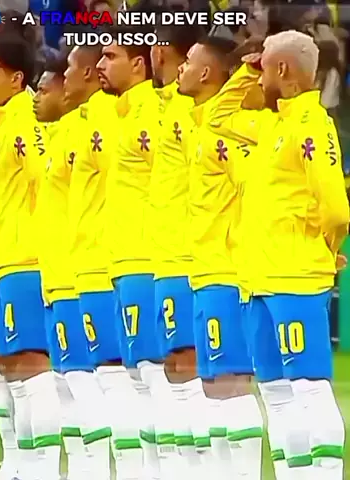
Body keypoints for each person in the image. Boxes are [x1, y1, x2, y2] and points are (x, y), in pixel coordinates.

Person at [209, 30, 348, 479]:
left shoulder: (312, 125)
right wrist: (243, 75)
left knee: (308, 388)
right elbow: (216, 117)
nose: (257, 73)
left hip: (294, 277)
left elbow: (336, 209)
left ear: (283, 69)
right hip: (258, 280)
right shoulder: (272, 126)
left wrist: (324, 250)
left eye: (263, 64)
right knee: (275, 393)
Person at [0, 32, 61, 480]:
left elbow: (45, 182)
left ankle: (42, 469)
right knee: (12, 370)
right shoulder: (2, 119)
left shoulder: (26, 121)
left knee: (32, 369)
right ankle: (23, 466)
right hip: (1, 261)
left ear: (17, 79)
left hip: (24, 263)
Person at [177, 36, 264, 479]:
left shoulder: (227, 130)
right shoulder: (200, 125)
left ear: (208, 73)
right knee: (212, 385)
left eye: (190, 62)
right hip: (203, 268)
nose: (181, 68)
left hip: (227, 270)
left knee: (230, 382)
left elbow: (254, 189)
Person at [96, 23, 173, 480]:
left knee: (154, 374)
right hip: (123, 260)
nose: (101, 64)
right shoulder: (122, 114)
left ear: (139, 64)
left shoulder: (151, 115)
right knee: (137, 375)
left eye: (111, 56)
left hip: (147, 259)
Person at [36, 52, 113, 480]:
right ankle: (81, 469)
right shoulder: (66, 130)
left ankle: (98, 470)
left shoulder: (97, 125)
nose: (62, 79)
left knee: (90, 379)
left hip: (82, 270)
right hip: (56, 273)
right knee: (65, 379)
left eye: (66, 71)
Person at [149, 21, 204, 477]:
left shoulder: (191, 112)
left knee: (191, 369)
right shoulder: (165, 106)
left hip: (187, 256)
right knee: (172, 370)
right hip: (162, 256)